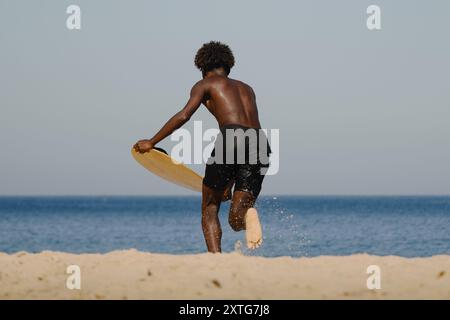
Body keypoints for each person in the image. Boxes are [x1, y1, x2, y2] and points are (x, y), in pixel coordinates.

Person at [134, 41, 270, 253]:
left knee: (210, 208)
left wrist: (152, 142)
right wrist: (228, 183)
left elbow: (184, 115)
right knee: (236, 217)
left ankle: (216, 259)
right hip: (260, 142)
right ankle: (247, 215)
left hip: (230, 139)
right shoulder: (247, 88)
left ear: (202, 66)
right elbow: (246, 137)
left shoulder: (205, 84)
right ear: (228, 65)